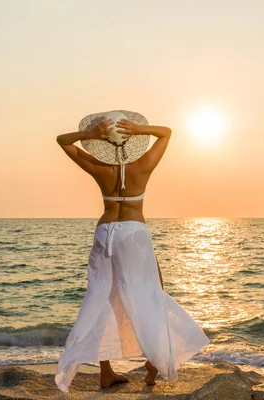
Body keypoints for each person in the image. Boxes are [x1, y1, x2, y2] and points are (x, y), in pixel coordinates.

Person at [53, 111, 209, 393]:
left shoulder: (98, 167)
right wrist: (137, 129)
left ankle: (106, 371)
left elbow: (62, 141)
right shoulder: (144, 165)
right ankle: (153, 360)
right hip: (134, 233)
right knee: (150, 294)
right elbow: (166, 132)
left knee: (101, 298)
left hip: (105, 234)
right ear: (130, 141)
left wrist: (90, 135)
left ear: (103, 144)